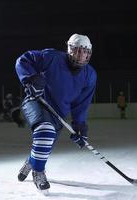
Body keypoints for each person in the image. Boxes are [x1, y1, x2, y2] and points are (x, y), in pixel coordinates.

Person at [15, 33, 97, 191]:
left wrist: (79, 125)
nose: (82, 55)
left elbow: (82, 103)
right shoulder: (52, 57)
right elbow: (23, 60)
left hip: (58, 113)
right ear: (70, 49)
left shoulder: (90, 75)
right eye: (78, 50)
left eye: (85, 52)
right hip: (37, 101)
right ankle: (38, 172)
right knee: (45, 132)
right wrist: (31, 78)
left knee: (44, 146)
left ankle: (31, 161)